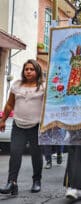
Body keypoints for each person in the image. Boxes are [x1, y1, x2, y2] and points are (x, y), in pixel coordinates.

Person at [0, 59, 45, 195]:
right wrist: (3, 120)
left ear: (37, 71)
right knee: (15, 153)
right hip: (18, 125)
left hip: (36, 126)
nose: (29, 71)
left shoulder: (43, 86)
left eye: (32, 69)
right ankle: (12, 183)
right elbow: (9, 105)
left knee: (36, 155)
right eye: (26, 69)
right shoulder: (17, 85)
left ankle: (36, 180)